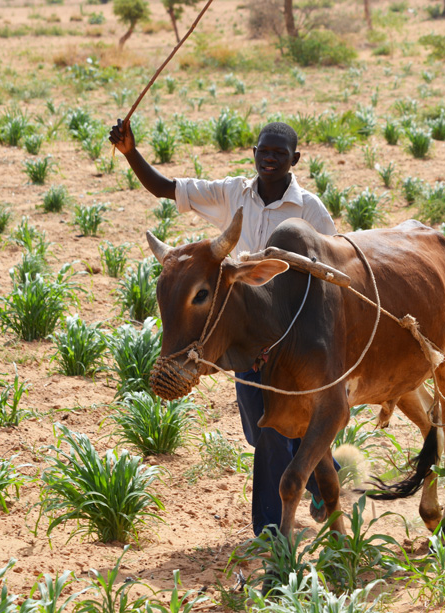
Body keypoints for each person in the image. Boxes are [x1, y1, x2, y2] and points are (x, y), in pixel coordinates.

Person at [108, 118, 338, 536]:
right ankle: (326, 469)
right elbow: (167, 188)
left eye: (278, 154)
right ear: (254, 154)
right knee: (257, 429)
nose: (269, 160)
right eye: (263, 152)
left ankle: (269, 531)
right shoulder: (233, 193)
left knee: (270, 430)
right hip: (244, 328)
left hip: (293, 333)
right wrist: (130, 153)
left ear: (294, 160)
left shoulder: (311, 210)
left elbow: (335, 269)